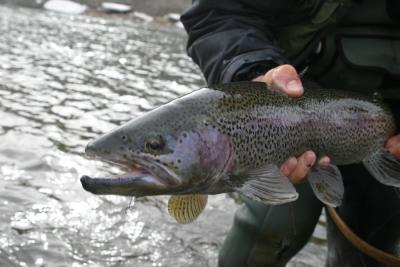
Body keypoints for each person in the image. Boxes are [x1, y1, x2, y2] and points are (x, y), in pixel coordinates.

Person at [181, 0, 400, 266]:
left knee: (369, 253)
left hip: (386, 124)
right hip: (284, 110)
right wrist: (253, 75)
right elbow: (219, 12)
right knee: (262, 239)